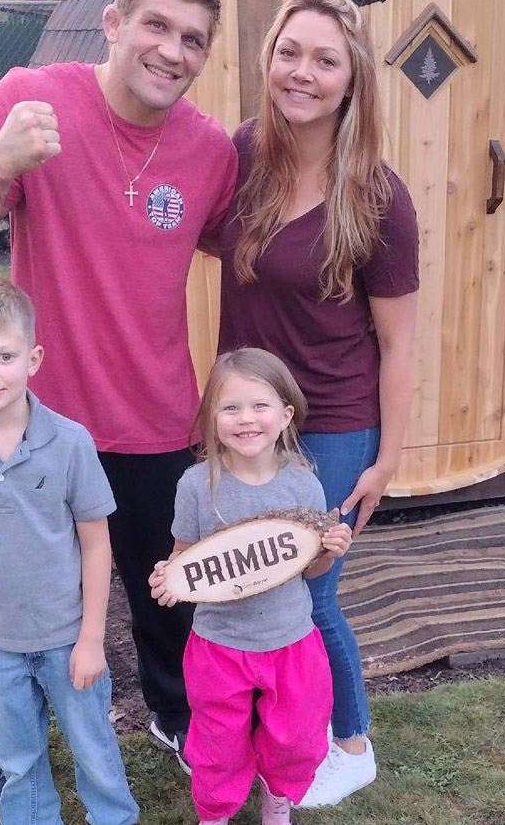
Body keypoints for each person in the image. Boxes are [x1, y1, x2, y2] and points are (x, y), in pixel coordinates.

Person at [0, 0, 239, 805]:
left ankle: (175, 717)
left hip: (157, 420)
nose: (173, 51)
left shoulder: (210, 151)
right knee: (18, 600)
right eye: (158, 27)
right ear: (113, 23)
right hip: (35, 427)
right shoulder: (33, 99)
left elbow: (254, 249)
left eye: (193, 40)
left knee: (166, 597)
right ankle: (9, 736)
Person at [215, 0, 420, 807]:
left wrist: (387, 461)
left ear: (352, 78)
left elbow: (400, 341)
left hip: (333, 427)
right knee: (257, 580)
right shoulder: (241, 156)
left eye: (323, 59)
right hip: (246, 421)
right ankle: (273, 734)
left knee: (308, 588)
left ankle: (351, 740)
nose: (302, 71)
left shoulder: (377, 195)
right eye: (288, 53)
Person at [0, 275, 139, 825]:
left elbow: (96, 542)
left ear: (33, 358)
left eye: (3, 355)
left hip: (66, 638)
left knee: (95, 751)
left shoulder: (70, 441)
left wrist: (91, 638)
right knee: (18, 760)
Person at [148, 348, 354, 825]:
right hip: (219, 646)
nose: (246, 419)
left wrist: (327, 550)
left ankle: (278, 796)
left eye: (260, 406)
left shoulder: (303, 486)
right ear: (210, 419)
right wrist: (169, 579)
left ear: (285, 415)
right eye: (230, 408)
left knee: (298, 738)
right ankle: (215, 813)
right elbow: (183, 557)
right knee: (217, 742)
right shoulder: (196, 485)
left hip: (291, 643)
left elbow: (310, 572)